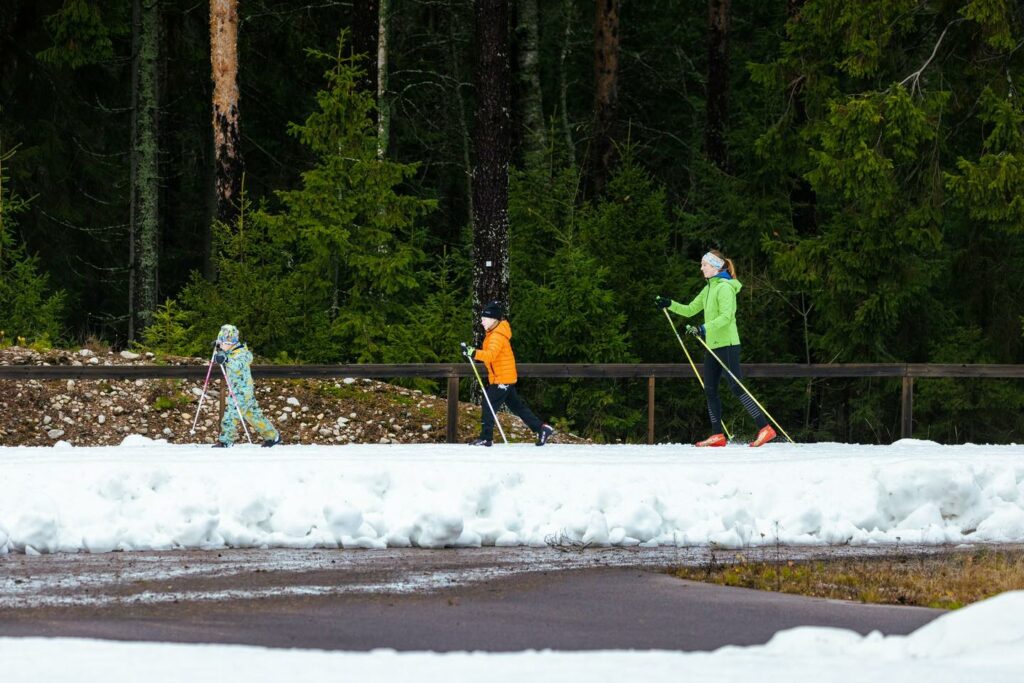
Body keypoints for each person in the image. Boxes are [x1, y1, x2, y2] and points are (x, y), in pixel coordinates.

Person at [656, 251, 777, 448]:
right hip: (712, 346)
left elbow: (726, 317)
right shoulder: (708, 289)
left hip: (728, 344)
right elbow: (689, 310)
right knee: (710, 389)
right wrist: (669, 304)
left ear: (715, 266)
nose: (701, 268)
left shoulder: (725, 288)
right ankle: (717, 435)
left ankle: (765, 428)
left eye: (704, 264)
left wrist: (702, 328)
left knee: (737, 386)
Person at [462, 301, 555, 447]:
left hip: (502, 379)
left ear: (493, 319)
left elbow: (490, 355)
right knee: (517, 406)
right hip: (504, 377)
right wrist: (472, 352)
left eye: (484, 319)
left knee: (488, 404)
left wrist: (473, 353)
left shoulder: (496, 336)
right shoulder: (494, 333)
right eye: (482, 319)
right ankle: (541, 428)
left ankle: (486, 438)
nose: (482, 322)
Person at [211, 324, 281, 448]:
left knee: (231, 414)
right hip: (238, 389)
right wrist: (219, 348)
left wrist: (225, 360)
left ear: (230, 342)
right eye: (220, 343)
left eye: (223, 343)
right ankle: (272, 436)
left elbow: (237, 365)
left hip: (242, 391)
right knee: (253, 415)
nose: (222, 345)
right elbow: (225, 353)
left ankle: (226, 440)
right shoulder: (231, 350)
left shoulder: (242, 354)